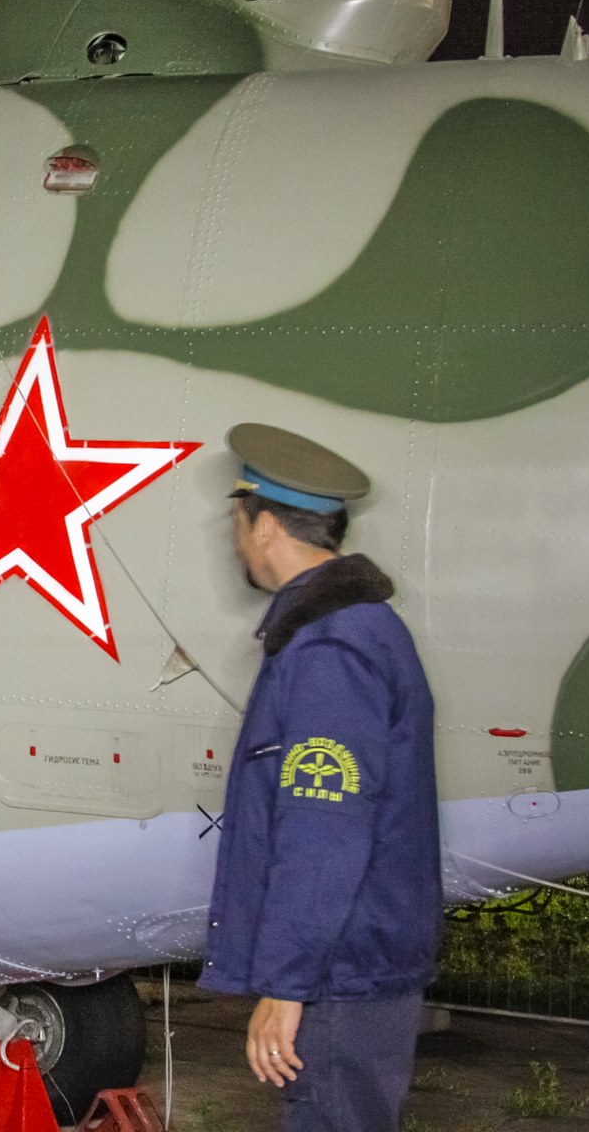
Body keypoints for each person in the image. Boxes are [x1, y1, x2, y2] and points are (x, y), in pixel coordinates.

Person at [200, 423, 442, 1132]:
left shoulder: (329, 647)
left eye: (237, 524)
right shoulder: (355, 628)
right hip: (353, 965)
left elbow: (324, 830)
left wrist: (287, 985)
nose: (236, 543)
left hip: (339, 974)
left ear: (265, 525)